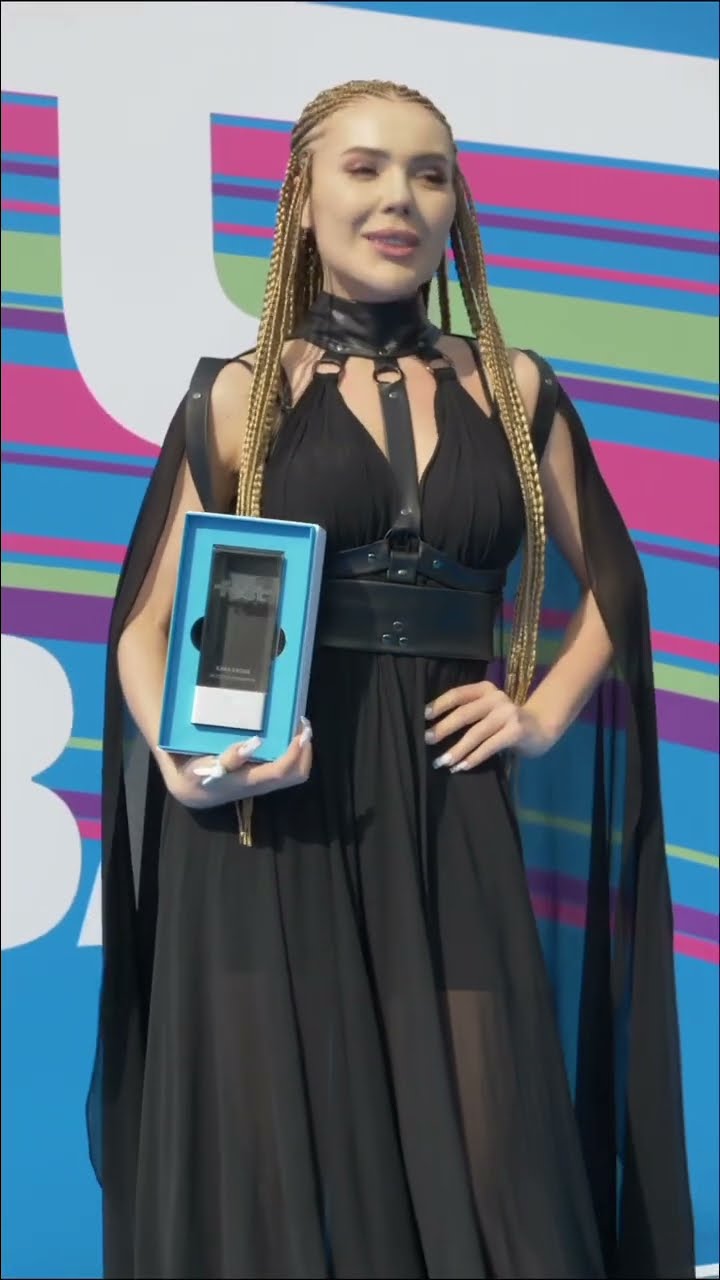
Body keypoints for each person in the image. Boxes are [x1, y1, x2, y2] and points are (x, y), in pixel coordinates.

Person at [87, 79, 695, 1279]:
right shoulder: (237, 393)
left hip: (445, 803)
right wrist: (192, 766)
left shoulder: (514, 391)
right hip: (268, 813)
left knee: (493, 1145)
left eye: (428, 173)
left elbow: (617, 591)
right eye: (364, 168)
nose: (399, 199)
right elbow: (145, 629)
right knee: (281, 1156)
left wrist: (539, 713)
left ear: (455, 204)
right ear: (302, 196)